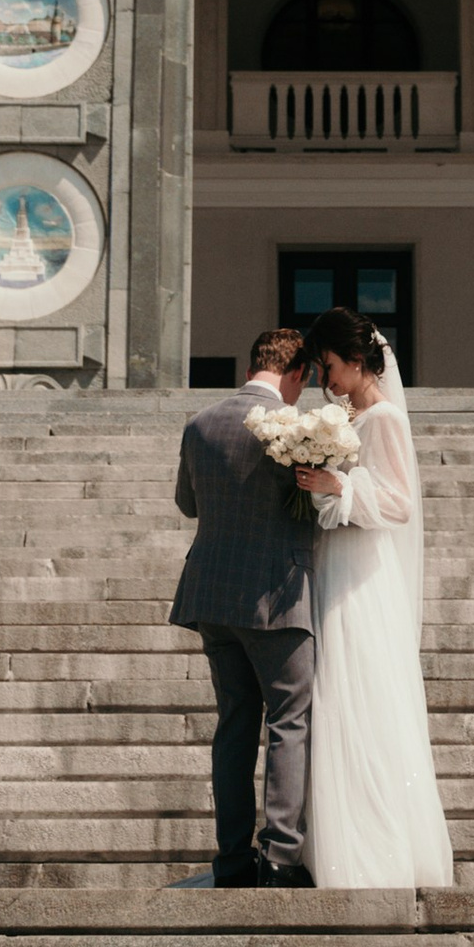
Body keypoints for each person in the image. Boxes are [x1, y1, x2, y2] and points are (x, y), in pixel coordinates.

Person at [292, 306, 454, 889]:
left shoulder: (382, 418)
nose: (324, 380)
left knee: (357, 689)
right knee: (333, 691)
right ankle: (335, 838)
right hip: (333, 562)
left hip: (362, 572)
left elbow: (400, 503)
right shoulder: (342, 416)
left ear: (358, 362)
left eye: (330, 367)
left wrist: (338, 484)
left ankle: (375, 844)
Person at [168, 325, 318, 888]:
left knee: (234, 724)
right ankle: (280, 856)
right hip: (277, 594)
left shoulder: (200, 422)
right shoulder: (296, 427)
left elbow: (187, 503)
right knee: (288, 722)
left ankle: (231, 860)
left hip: (212, 593)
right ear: (295, 371)